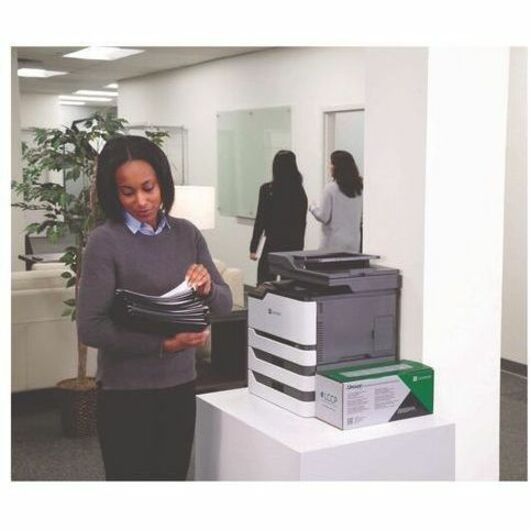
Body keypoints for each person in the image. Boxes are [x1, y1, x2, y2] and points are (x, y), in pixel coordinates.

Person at [77, 135, 232, 481]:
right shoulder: (105, 241)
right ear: (113, 193)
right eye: (128, 192)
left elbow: (224, 304)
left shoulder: (187, 234)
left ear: (162, 182)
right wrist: (164, 345)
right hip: (125, 394)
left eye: (149, 187)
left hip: (179, 388)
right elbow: (90, 327)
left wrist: (207, 287)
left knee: (172, 482)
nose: (142, 201)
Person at [249, 150, 308, 284]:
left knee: (265, 283)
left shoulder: (267, 190)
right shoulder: (299, 192)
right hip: (293, 245)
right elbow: (302, 223)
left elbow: (260, 220)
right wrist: (300, 248)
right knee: (290, 284)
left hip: (273, 244)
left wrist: (253, 248)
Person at [309, 150, 363, 252]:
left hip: (332, 244)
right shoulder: (359, 190)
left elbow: (324, 217)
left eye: (331, 163)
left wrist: (312, 208)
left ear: (337, 167)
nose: (330, 166)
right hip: (353, 244)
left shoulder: (330, 188)